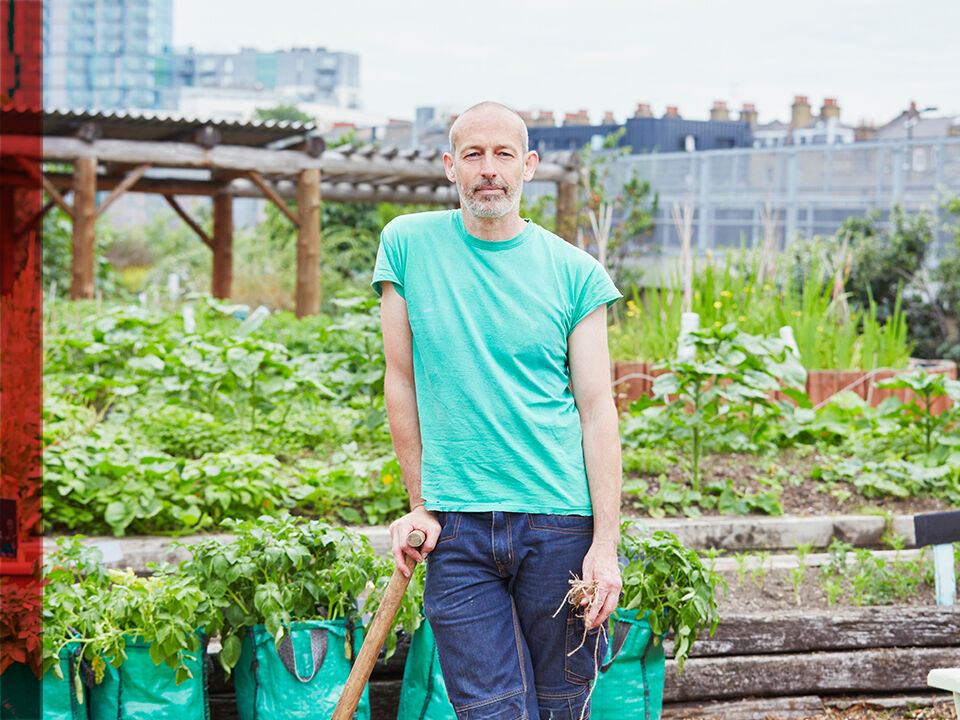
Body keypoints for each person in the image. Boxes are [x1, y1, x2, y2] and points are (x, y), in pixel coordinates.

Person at [373, 100, 623, 720]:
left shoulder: (576, 273)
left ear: (529, 166)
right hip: (456, 529)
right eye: (474, 155)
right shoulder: (407, 244)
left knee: (562, 708)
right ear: (450, 166)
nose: (489, 169)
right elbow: (400, 382)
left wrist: (605, 544)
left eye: (504, 154)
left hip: (559, 525)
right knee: (491, 712)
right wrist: (418, 503)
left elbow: (597, 409)